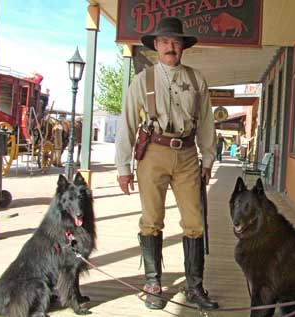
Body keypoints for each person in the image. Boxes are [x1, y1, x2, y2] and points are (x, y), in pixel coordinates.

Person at [115, 17, 219, 311]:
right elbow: (126, 124)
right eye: (165, 42)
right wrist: (123, 168)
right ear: (156, 46)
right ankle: (153, 284)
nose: (171, 47)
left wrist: (208, 158)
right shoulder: (142, 80)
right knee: (151, 220)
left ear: (183, 46)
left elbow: (207, 123)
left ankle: (195, 287)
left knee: (194, 222)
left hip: (187, 154)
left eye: (176, 42)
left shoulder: (197, 79)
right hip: (152, 153)